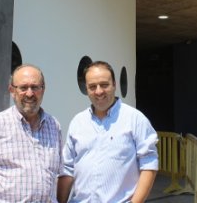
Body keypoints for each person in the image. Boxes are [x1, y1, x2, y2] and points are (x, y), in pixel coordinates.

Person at [57, 61, 158, 203]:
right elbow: (67, 168)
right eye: (92, 86)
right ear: (86, 88)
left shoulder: (135, 119)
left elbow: (149, 164)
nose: (98, 91)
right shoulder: (78, 122)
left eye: (104, 85)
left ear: (114, 85)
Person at [0, 64, 62, 203]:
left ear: (43, 89)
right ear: (12, 90)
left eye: (35, 87)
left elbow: (59, 174)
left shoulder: (54, 125)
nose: (29, 93)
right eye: (23, 88)